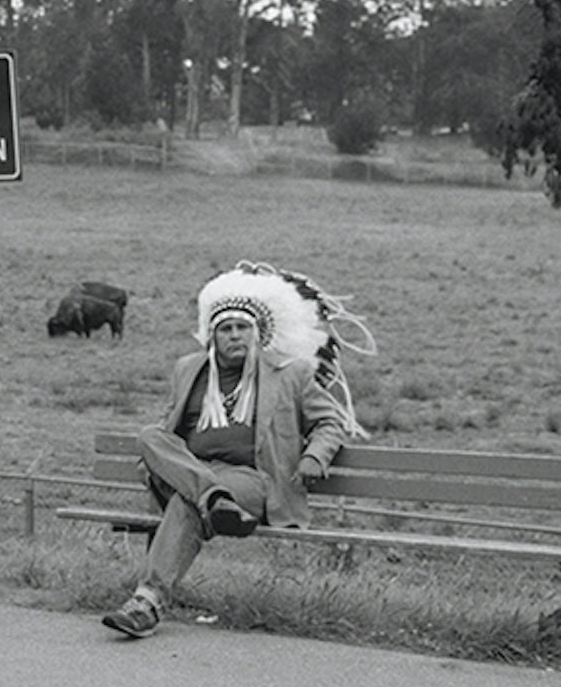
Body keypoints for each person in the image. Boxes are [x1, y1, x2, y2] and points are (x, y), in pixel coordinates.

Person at [102, 262, 372, 639]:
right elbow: (169, 429)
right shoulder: (187, 369)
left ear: (257, 333)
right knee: (150, 436)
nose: (235, 336)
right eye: (225, 329)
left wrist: (315, 456)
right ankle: (212, 499)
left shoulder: (290, 374)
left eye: (243, 328)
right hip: (191, 470)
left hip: (250, 480)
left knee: (187, 502)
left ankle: (146, 603)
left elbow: (331, 422)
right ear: (212, 337)